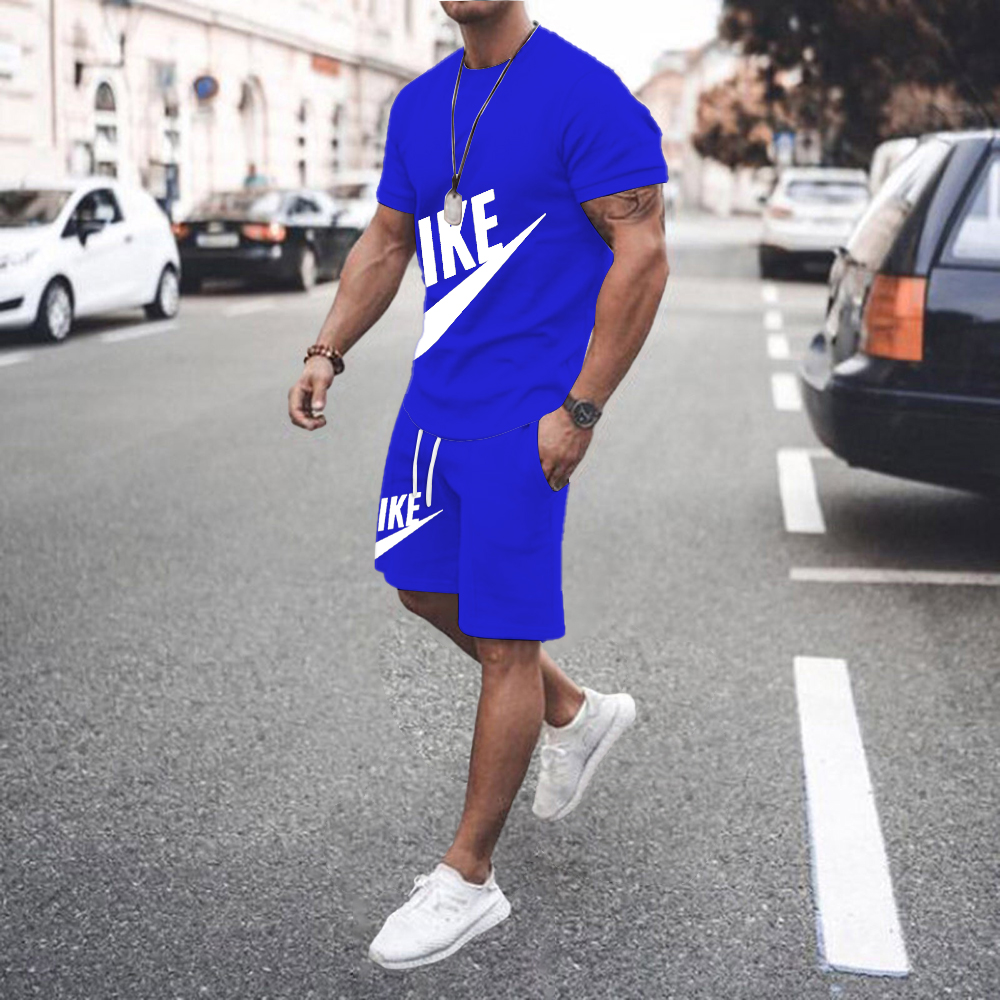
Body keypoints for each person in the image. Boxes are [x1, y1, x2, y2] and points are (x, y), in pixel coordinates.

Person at [288, 0, 669, 970]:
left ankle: (468, 877)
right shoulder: (421, 103)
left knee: (505, 637)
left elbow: (642, 253)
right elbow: (387, 240)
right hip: (435, 399)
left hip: (528, 411)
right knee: (418, 584)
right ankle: (573, 711)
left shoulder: (584, 95)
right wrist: (328, 348)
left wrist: (581, 408)